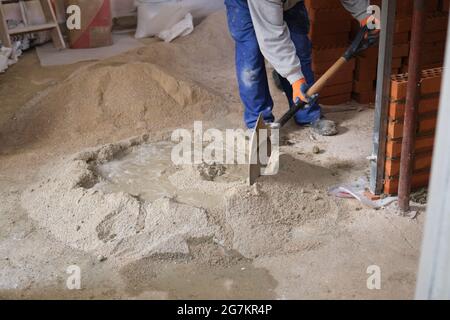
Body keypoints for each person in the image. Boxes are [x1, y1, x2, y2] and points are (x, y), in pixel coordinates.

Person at [225, 0, 374, 135]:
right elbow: (272, 38)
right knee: (251, 59)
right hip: (243, 4)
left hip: (289, 3)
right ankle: (259, 123)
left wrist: (364, 14)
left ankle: (307, 112)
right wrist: (294, 77)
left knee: (300, 46)